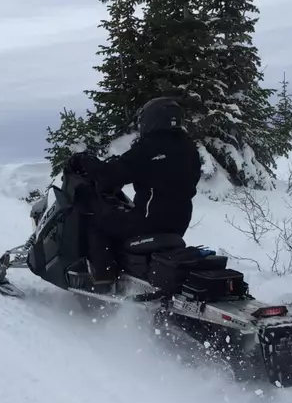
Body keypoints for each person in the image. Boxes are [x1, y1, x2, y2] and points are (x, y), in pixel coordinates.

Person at [68, 97, 201, 287]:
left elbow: (112, 174)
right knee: (120, 220)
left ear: (152, 120)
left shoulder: (149, 147)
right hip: (179, 223)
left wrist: (84, 161)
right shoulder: (189, 148)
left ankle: (104, 279)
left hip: (149, 221)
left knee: (96, 221)